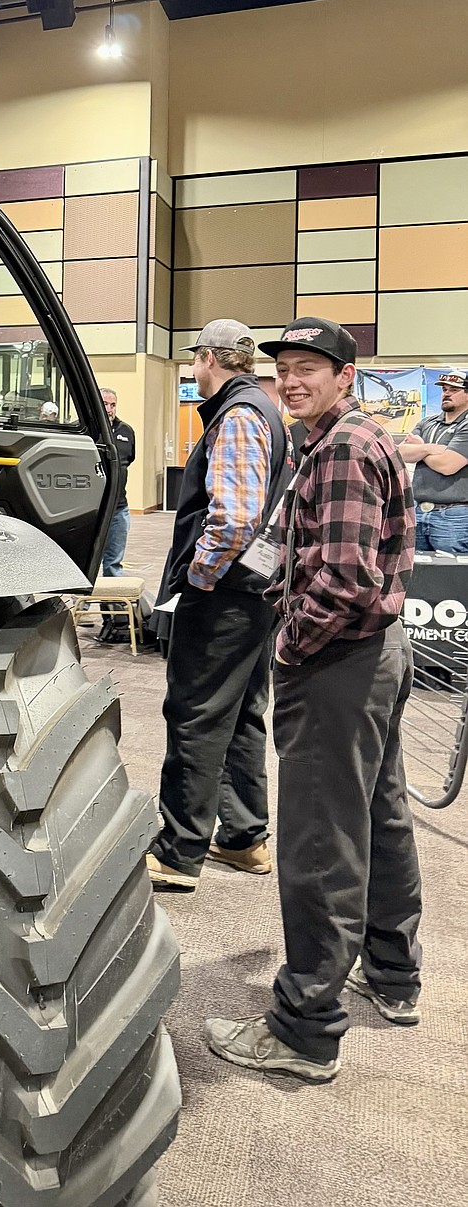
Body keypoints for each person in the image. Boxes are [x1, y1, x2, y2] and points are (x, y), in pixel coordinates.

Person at [205, 316, 420, 1084]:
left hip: (338, 662)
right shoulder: (342, 439)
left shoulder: (343, 448)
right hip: (375, 655)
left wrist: (290, 648)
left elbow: (344, 580)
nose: (292, 379)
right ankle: (392, 976)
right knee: (380, 816)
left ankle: (305, 1028)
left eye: (309, 367)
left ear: (345, 376)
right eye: (284, 367)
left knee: (318, 842)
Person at [147, 319, 290, 892]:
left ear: (209, 358)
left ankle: (179, 851)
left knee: (196, 716)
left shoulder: (235, 416)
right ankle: (243, 838)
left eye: (195, 361)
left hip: (225, 596)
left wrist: (199, 580)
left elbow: (234, 517)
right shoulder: (261, 409)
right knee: (241, 714)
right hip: (254, 595)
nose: (193, 371)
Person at [399, 369, 468, 554]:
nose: (446, 393)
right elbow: (401, 453)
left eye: (454, 389)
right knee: (417, 573)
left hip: (455, 517)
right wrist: (429, 448)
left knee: (452, 577)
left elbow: (448, 466)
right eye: (445, 389)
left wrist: (420, 449)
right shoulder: (426, 422)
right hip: (418, 511)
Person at [100, 389, 136, 578]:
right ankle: (81, 606)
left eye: (112, 405)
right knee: (87, 563)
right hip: (92, 510)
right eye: (105, 404)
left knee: (114, 563)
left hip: (119, 509)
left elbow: (128, 459)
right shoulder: (85, 430)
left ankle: (111, 606)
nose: (109, 409)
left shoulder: (126, 431)